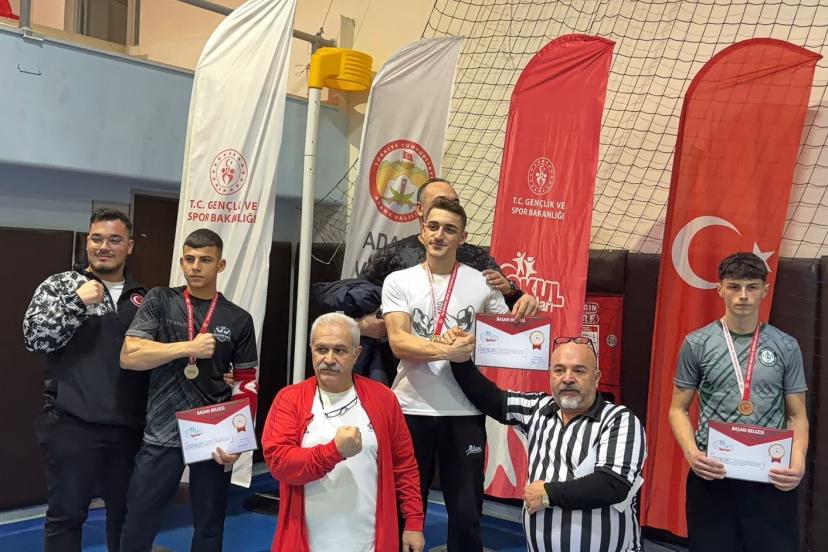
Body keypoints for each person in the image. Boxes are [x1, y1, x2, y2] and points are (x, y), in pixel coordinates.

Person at [118, 229, 258, 552]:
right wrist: (187, 347)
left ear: (220, 265)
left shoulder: (238, 318)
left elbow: (247, 382)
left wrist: (238, 442)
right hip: (162, 429)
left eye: (205, 260)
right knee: (139, 519)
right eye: (190, 259)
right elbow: (129, 356)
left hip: (213, 432)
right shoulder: (160, 300)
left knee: (210, 525)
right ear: (181, 262)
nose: (195, 266)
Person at [382, 198, 509, 551]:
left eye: (449, 229)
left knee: (467, 513)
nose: (439, 235)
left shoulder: (482, 283)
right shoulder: (399, 280)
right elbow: (398, 342)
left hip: (465, 410)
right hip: (410, 408)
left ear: (462, 237)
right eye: (433, 226)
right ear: (422, 231)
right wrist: (447, 350)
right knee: (405, 510)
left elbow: (502, 339)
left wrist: (523, 304)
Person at [23, 208, 148, 552]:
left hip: (128, 428)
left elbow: (159, 357)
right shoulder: (60, 285)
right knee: (66, 517)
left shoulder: (144, 298)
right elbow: (34, 338)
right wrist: (76, 303)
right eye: (97, 238)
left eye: (114, 240)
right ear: (87, 242)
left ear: (129, 246)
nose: (104, 246)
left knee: (127, 516)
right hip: (71, 424)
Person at [450, 335, 647, 552]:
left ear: (596, 377)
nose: (568, 378)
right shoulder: (537, 408)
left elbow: (612, 485)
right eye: (559, 370)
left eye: (579, 371)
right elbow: (491, 398)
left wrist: (547, 494)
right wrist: (460, 360)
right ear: (550, 375)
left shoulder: (619, 420)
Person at [669, 252, 808, 551]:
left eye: (752, 287)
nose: (743, 295)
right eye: (734, 286)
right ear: (719, 288)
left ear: (764, 290)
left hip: (770, 475)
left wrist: (797, 461)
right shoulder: (697, 343)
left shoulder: (786, 346)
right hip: (713, 473)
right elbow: (677, 409)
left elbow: (797, 415)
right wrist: (692, 453)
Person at [262, 312, 424, 552]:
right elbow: (279, 463)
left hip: (369, 541)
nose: (329, 359)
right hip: (309, 543)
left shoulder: (383, 398)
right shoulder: (289, 399)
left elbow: (404, 465)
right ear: (311, 350)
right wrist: (334, 451)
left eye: (339, 350)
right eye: (321, 349)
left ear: (356, 354)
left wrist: (413, 522)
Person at [357, 177, 539, 341]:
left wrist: (518, 295)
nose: (448, 207)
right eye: (441, 202)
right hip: (398, 360)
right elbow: (357, 299)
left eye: (455, 202)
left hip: (464, 359)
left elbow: (506, 312)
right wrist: (361, 327)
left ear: (462, 236)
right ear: (420, 210)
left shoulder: (478, 258)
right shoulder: (392, 256)